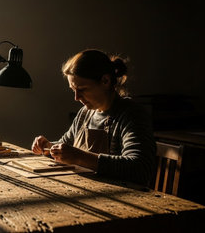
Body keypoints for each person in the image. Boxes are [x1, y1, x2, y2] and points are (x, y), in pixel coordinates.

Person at [32, 49, 156, 186]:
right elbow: (66, 145)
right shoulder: (85, 114)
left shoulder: (131, 114)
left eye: (82, 89)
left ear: (105, 80)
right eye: (73, 90)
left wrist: (79, 157)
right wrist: (49, 147)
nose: (76, 97)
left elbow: (140, 168)